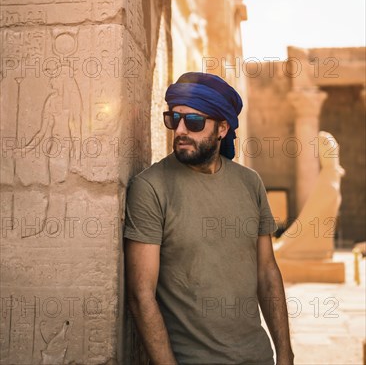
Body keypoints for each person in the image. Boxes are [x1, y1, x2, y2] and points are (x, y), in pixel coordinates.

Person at [124, 72, 294, 365]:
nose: (180, 130)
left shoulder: (250, 183)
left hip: (258, 357)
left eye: (194, 122)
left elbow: (267, 273)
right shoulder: (150, 188)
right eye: (173, 119)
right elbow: (141, 296)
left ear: (222, 128)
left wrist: (286, 354)